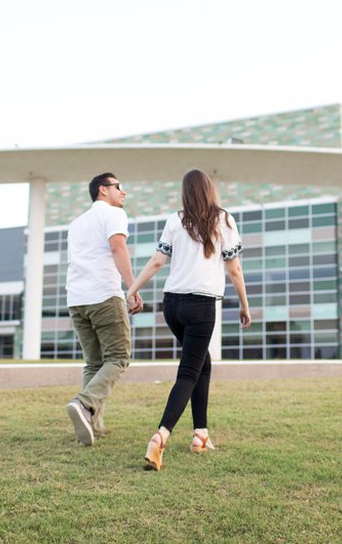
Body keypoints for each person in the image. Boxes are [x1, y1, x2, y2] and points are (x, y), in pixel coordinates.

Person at [127, 168, 251, 471]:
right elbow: (234, 269)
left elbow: (157, 262)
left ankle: (201, 434)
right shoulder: (223, 219)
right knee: (189, 371)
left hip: (172, 305)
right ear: (209, 189)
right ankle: (161, 436)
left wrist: (131, 290)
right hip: (201, 306)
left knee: (201, 363)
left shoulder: (175, 220)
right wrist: (245, 305)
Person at [64, 172, 143, 446]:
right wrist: (132, 289)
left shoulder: (76, 224)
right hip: (103, 295)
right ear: (102, 190)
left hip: (76, 299)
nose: (123, 192)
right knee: (119, 357)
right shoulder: (113, 214)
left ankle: (92, 425)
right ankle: (84, 404)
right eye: (118, 187)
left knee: (94, 363)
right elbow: (117, 248)